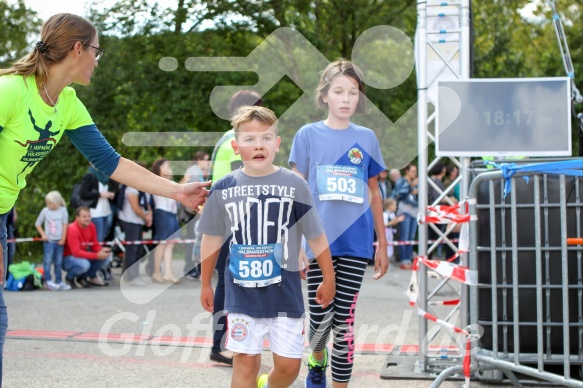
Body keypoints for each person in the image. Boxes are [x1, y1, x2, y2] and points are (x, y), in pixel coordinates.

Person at [0, 13, 209, 380]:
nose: (98, 60)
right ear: (78, 49)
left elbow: (113, 163)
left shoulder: (67, 103)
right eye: (97, 51)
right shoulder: (11, 91)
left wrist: (178, 192)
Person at [199, 106, 335, 388]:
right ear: (236, 147)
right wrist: (205, 283)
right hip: (241, 295)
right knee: (245, 362)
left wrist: (329, 276)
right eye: (249, 139)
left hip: (284, 296)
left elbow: (315, 234)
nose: (258, 145)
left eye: (265, 137)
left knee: (288, 368)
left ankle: (268, 385)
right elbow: (210, 238)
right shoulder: (224, 187)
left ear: (277, 143)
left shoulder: (295, 184)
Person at [288, 58, 389, 387]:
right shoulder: (307, 136)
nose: (346, 99)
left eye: (354, 92)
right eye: (339, 91)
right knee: (319, 324)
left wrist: (383, 244)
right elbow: (297, 193)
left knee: (343, 322)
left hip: (357, 244)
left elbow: (374, 192)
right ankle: (316, 362)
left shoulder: (368, 137)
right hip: (319, 243)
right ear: (325, 96)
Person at [207, 89, 263, 366]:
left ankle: (223, 343)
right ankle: (221, 344)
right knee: (229, 286)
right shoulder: (235, 141)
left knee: (227, 284)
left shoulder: (224, 139)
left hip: (222, 220)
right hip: (231, 223)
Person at [63, 206, 111, 288]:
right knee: (85, 264)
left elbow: (94, 245)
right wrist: (97, 255)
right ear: (77, 218)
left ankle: (84, 277)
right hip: (68, 257)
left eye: (89, 216)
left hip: (81, 255)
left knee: (105, 258)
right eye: (84, 216)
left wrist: (101, 250)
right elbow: (76, 252)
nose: (87, 219)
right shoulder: (72, 229)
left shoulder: (92, 226)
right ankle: (69, 278)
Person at [179, 150, 210, 280]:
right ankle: (190, 269)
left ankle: (192, 268)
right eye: (206, 159)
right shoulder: (195, 172)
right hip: (192, 212)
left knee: (193, 241)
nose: (208, 162)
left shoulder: (196, 171)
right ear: (199, 160)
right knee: (193, 241)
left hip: (192, 211)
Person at [151, 158, 181, 284]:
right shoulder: (157, 182)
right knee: (162, 243)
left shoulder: (171, 182)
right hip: (162, 213)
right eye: (167, 166)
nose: (170, 168)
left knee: (170, 244)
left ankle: (168, 273)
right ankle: (156, 272)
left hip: (172, 214)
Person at [34, 191, 70, 291]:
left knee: (58, 262)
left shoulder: (63, 210)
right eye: (47, 203)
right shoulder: (45, 211)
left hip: (59, 241)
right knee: (48, 261)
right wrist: (43, 235)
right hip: (49, 241)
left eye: (51, 203)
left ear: (57, 202)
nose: (48, 205)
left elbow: (65, 225)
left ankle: (59, 281)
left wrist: (63, 238)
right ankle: (48, 281)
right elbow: (37, 224)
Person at [395, 164, 419, 270]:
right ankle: (404, 260)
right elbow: (399, 193)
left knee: (411, 237)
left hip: (415, 211)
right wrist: (410, 187)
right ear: (407, 171)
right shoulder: (401, 181)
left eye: (416, 171)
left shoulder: (416, 182)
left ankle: (409, 259)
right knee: (404, 236)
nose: (415, 173)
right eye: (413, 171)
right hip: (404, 210)